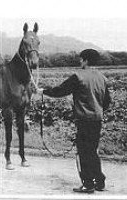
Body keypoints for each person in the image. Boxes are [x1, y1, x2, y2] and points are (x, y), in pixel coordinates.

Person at [42, 49, 111, 193]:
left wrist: (43, 91)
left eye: (81, 59)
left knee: (83, 152)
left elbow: (60, 91)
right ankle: (99, 182)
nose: (79, 61)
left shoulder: (78, 77)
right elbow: (107, 102)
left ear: (85, 60)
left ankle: (87, 184)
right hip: (97, 119)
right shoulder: (103, 78)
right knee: (92, 151)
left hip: (84, 120)